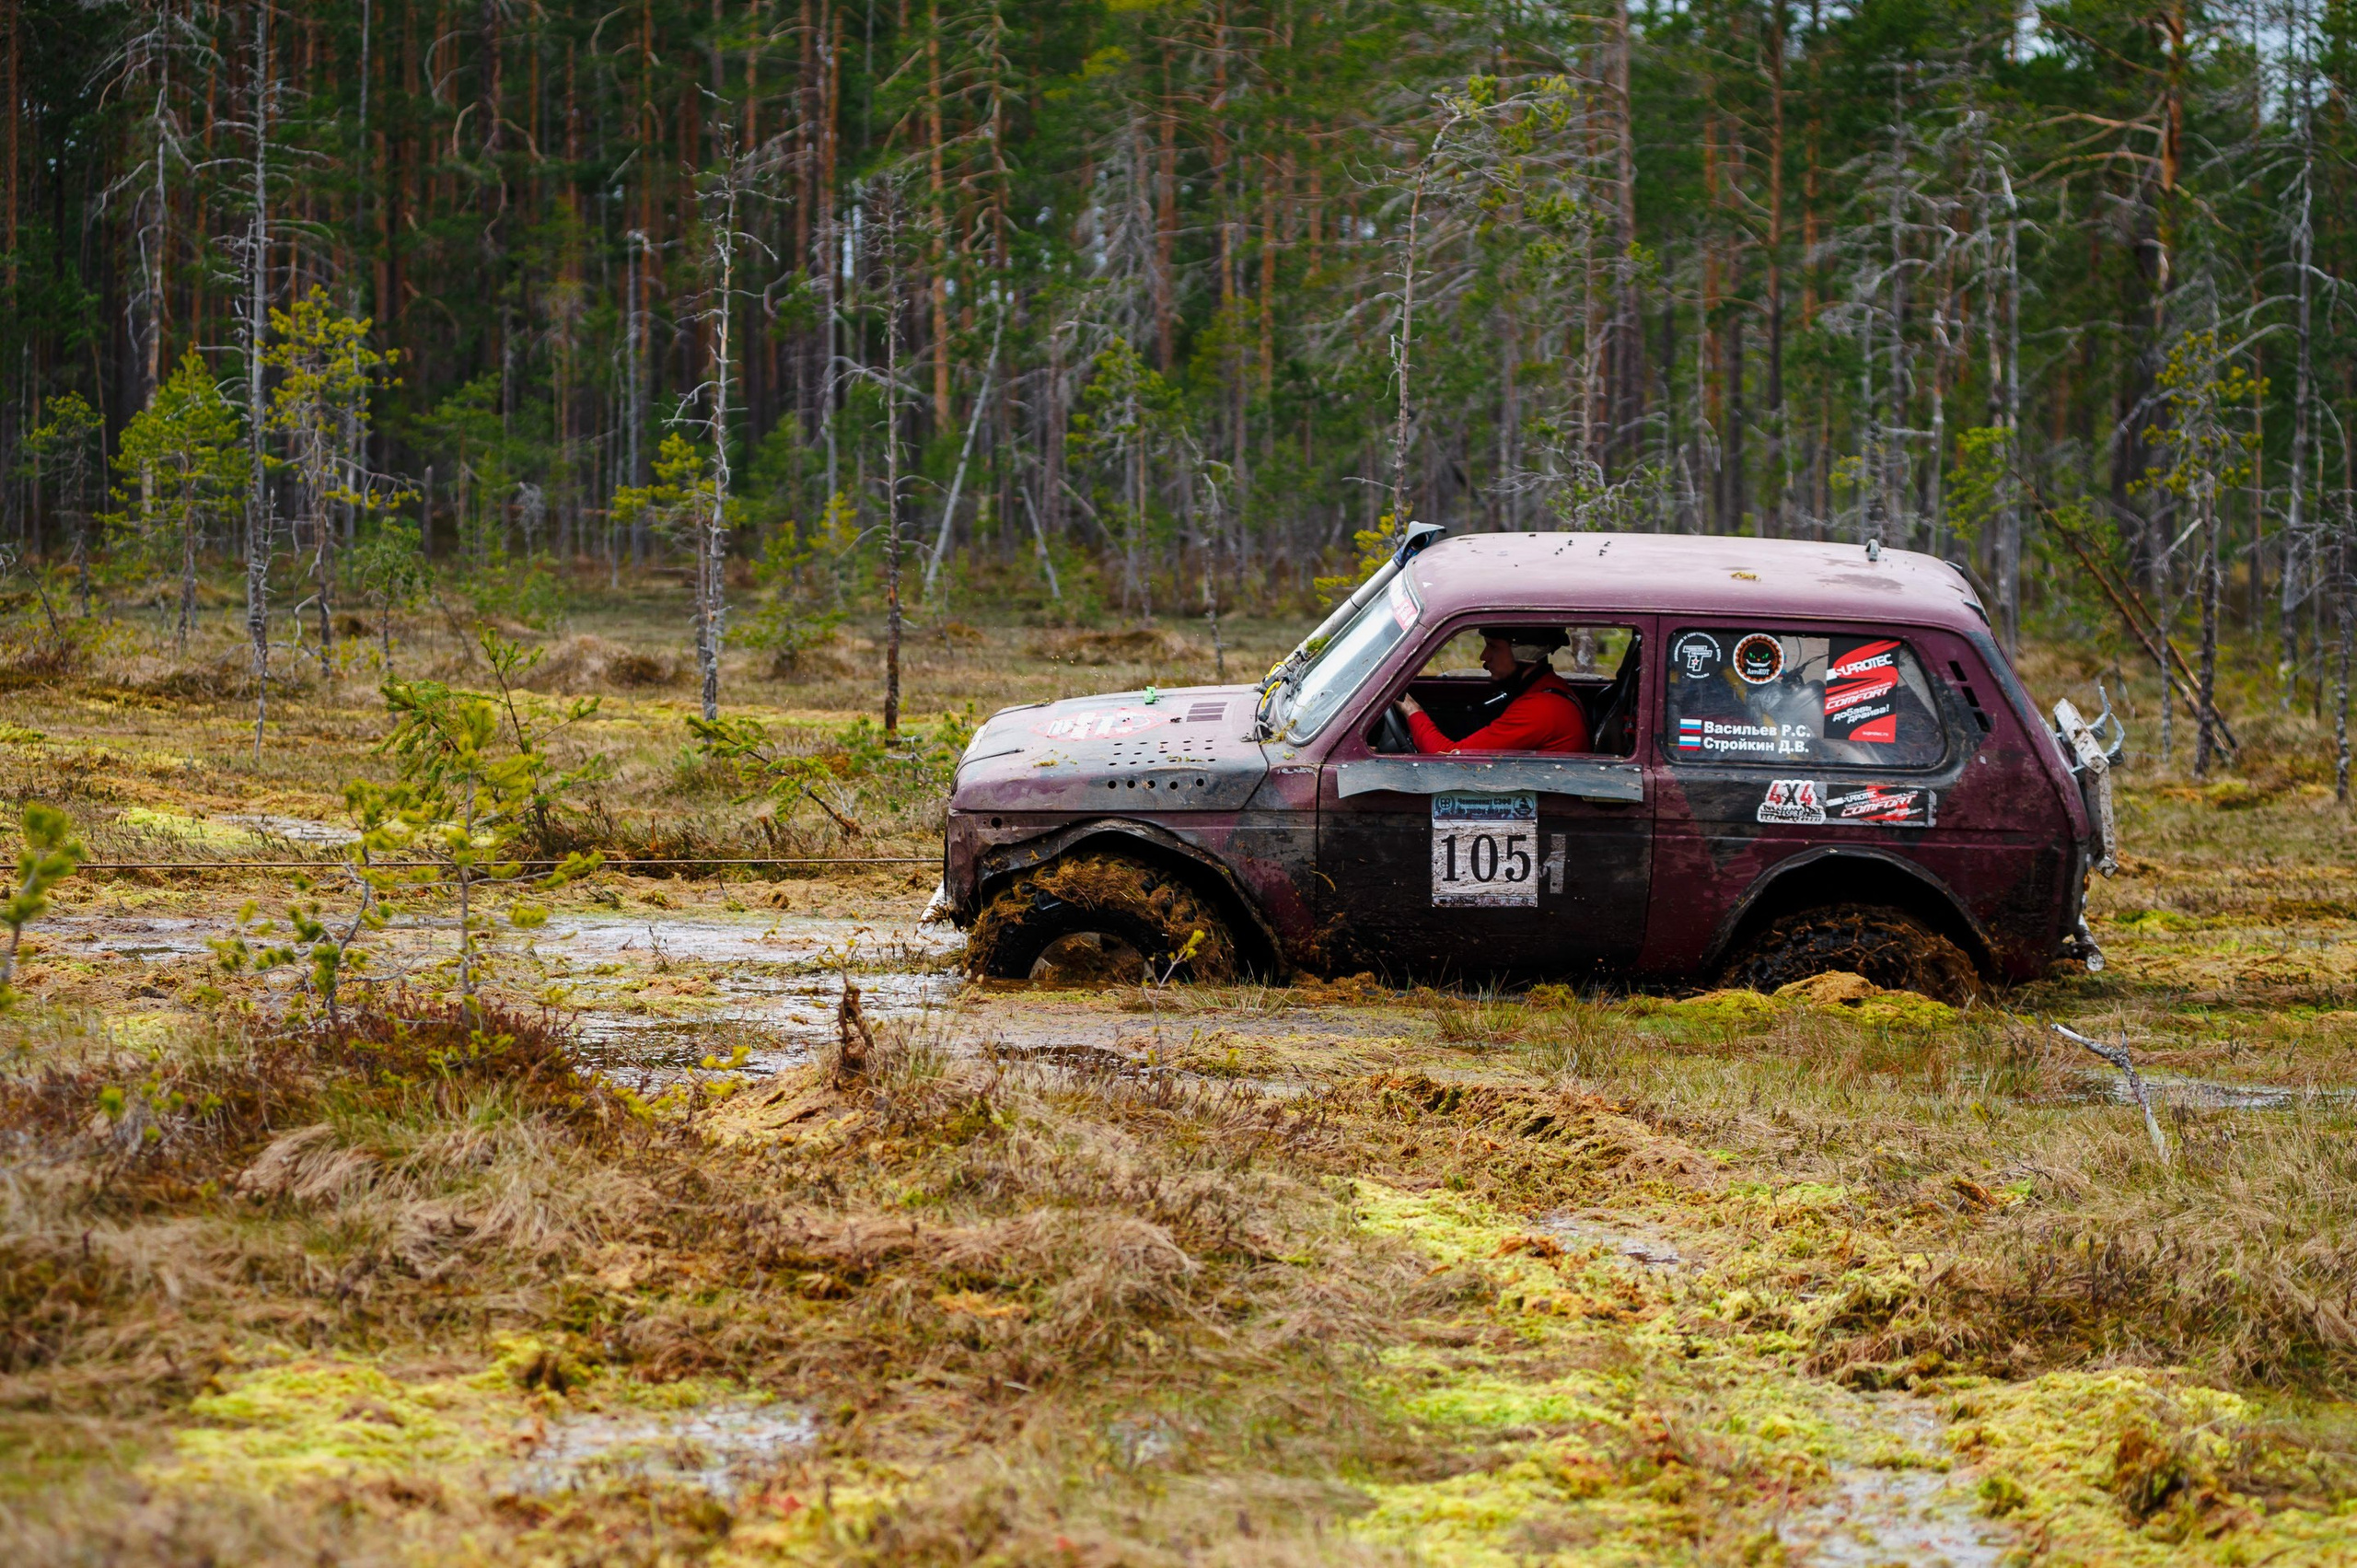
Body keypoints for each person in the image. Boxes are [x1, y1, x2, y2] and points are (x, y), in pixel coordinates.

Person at [1396, 628, 1591, 753]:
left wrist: (1411, 709)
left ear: (1524, 653)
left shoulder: (1541, 710)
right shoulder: (1546, 690)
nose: (1483, 656)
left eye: (1493, 647)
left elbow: (1447, 758)